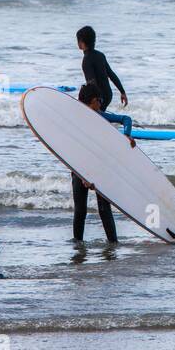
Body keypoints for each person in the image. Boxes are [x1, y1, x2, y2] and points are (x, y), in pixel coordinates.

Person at [71, 84, 136, 243]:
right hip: (79, 166)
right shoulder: (75, 121)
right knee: (80, 210)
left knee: (104, 209)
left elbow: (126, 119)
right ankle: (78, 245)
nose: (101, 104)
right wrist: (83, 175)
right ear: (92, 101)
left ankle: (113, 243)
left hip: (101, 168)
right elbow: (72, 149)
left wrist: (125, 136)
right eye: (99, 101)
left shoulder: (101, 116)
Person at [76, 26, 127, 109]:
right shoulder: (100, 55)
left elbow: (92, 83)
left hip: (98, 98)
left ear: (81, 42)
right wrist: (122, 92)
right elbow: (111, 74)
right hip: (108, 94)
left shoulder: (86, 60)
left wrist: (96, 100)